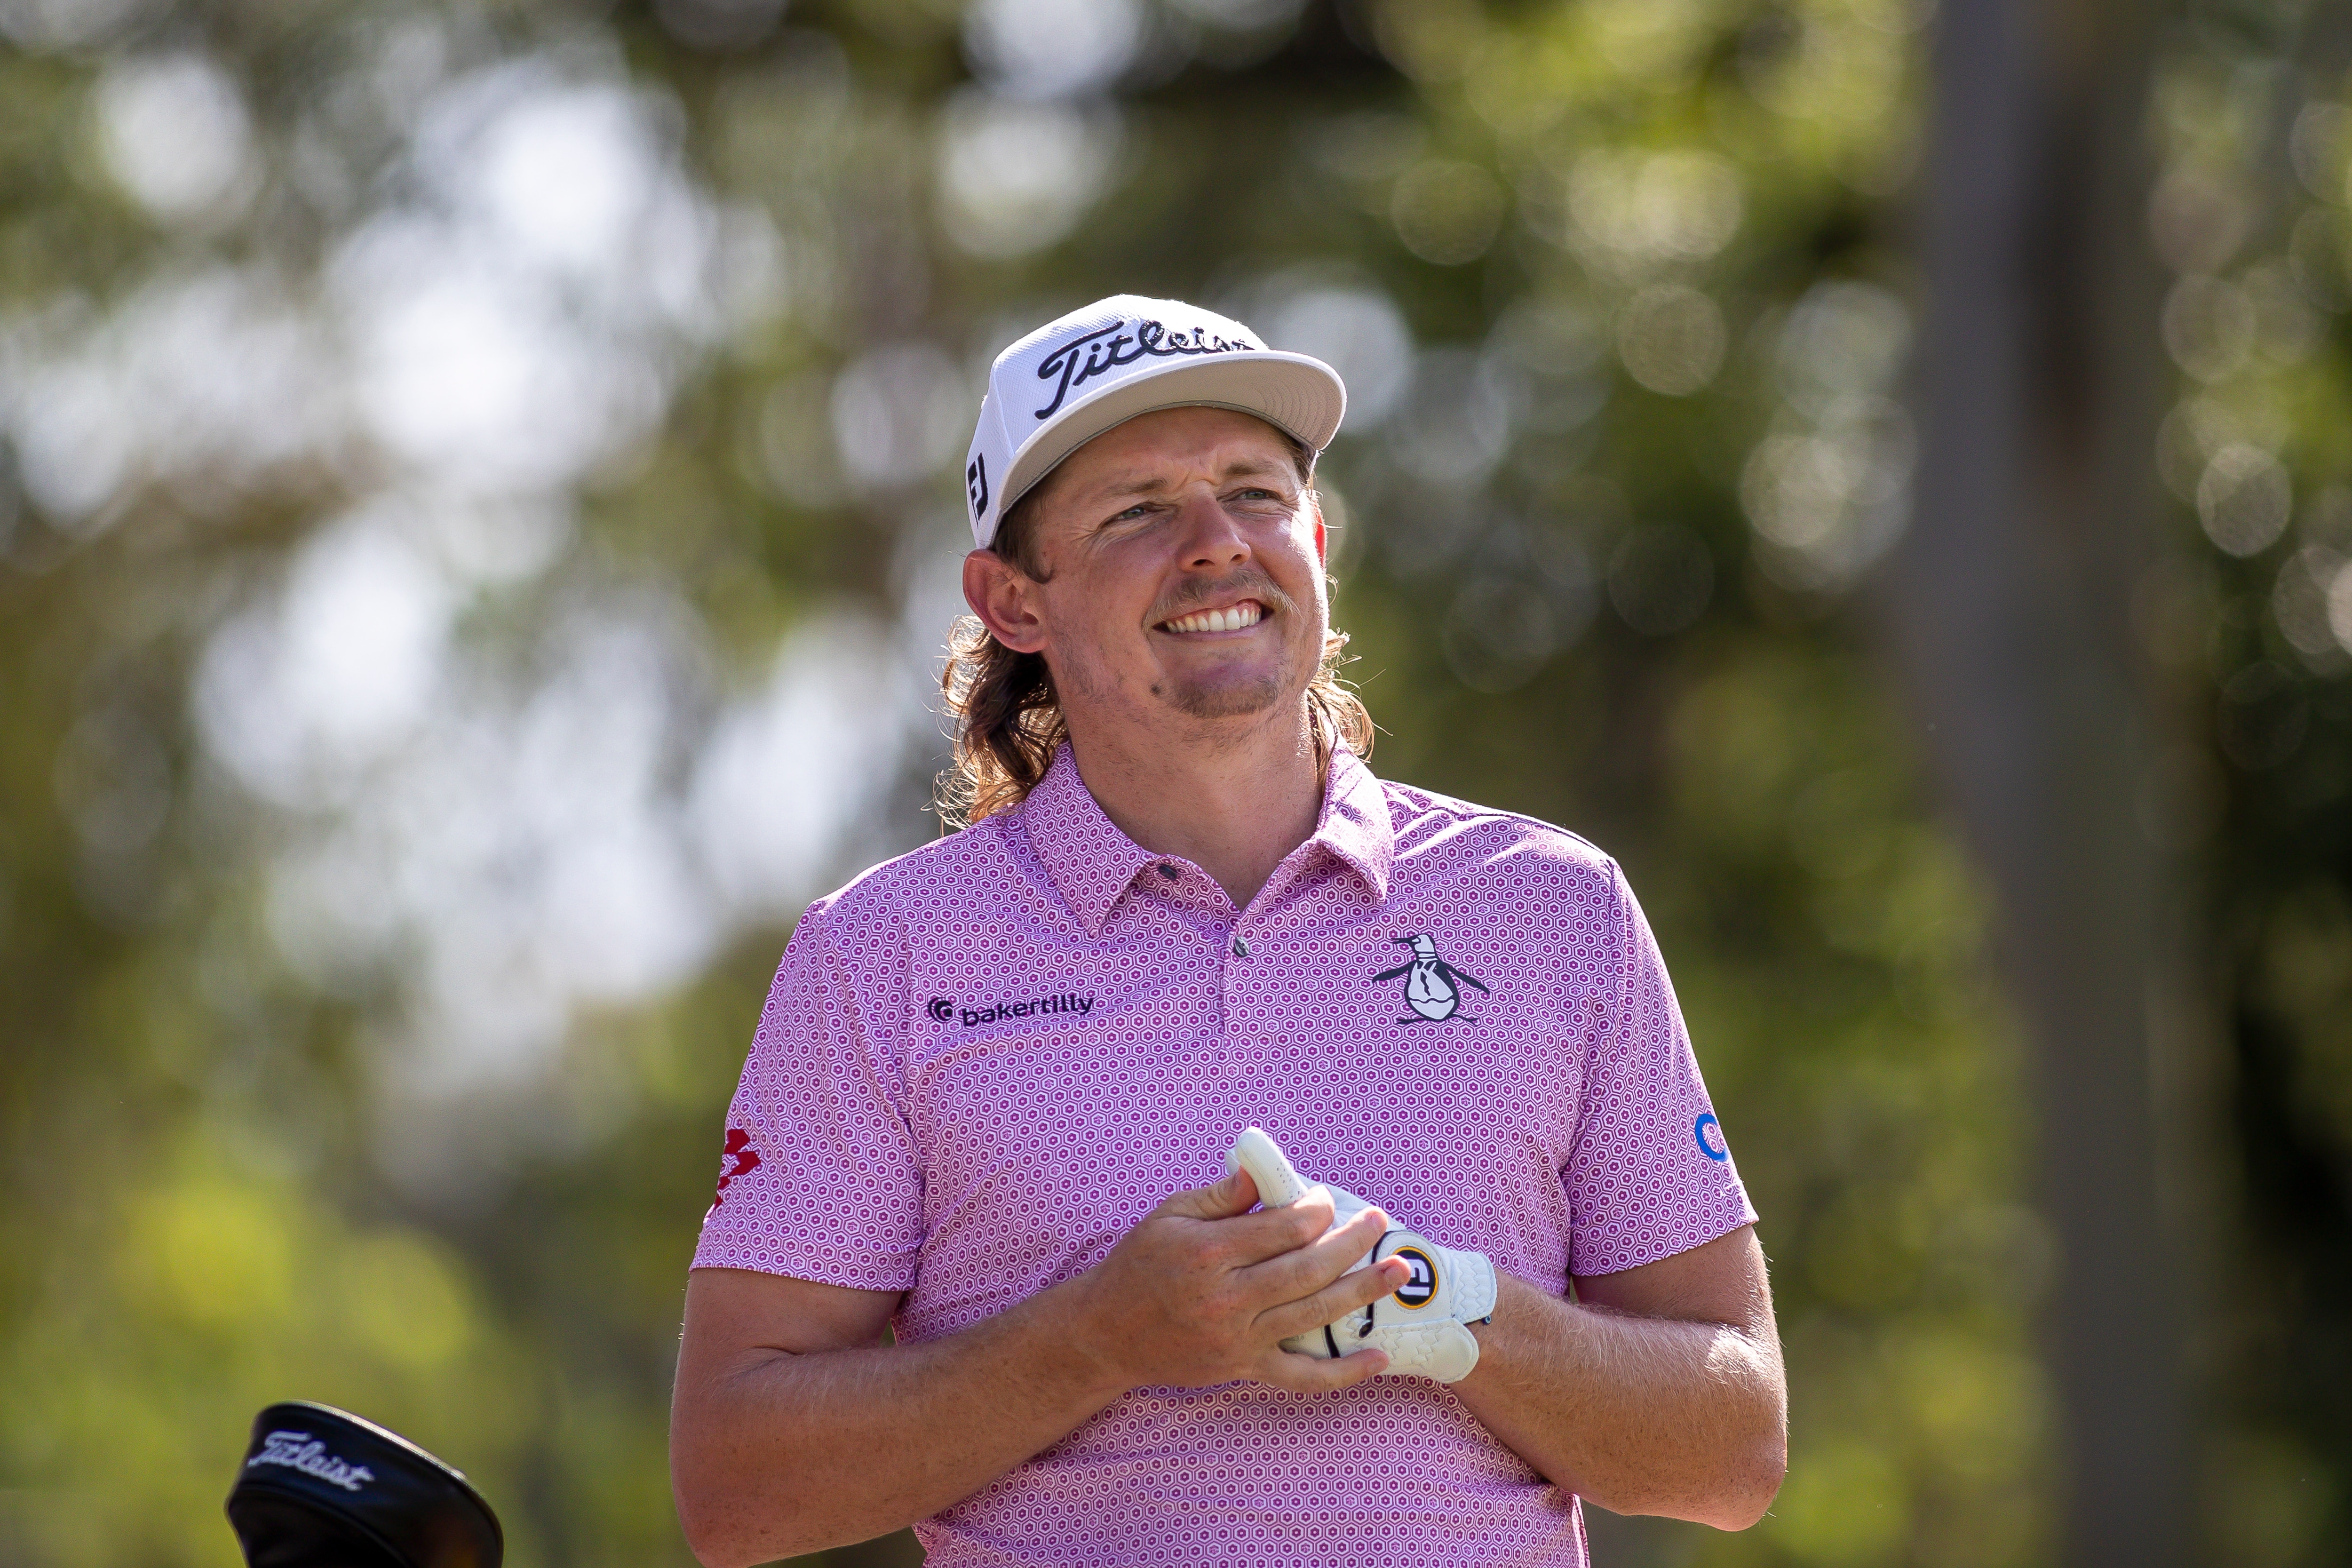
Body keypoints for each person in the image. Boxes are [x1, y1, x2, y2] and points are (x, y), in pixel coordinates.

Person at [668, 295, 1786, 1568]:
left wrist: (1441, 1309)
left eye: (1254, 492)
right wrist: (1100, 1338)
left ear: (1316, 536)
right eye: (1137, 510)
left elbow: (1735, 1445)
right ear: (1013, 601)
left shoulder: (1550, 906)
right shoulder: (884, 955)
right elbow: (735, 1490)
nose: (1214, 544)